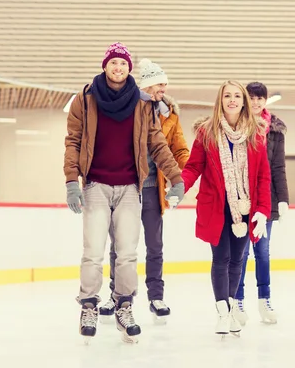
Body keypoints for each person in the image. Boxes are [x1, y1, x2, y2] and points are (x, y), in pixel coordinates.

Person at [63, 42, 185, 343]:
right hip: (95, 185)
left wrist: (176, 178)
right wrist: (71, 182)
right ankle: (88, 305)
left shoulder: (142, 102)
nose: (118, 68)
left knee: (128, 254)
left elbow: (157, 143)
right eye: (114, 63)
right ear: (105, 65)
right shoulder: (86, 98)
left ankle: (124, 305)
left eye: (123, 64)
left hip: (130, 186)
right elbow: (73, 141)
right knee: (93, 252)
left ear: (129, 69)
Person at [99, 58, 190, 323]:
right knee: (119, 246)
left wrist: (185, 174)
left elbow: (179, 149)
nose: (164, 88)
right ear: (148, 85)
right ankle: (116, 296)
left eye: (165, 84)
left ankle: (156, 296)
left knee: (155, 244)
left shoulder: (169, 115)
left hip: (153, 189)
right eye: (160, 83)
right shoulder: (130, 107)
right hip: (126, 186)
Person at [181, 80, 271, 337]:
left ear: (243, 101)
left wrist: (263, 210)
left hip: (245, 207)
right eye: (227, 96)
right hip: (216, 207)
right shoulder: (207, 132)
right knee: (220, 259)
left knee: (237, 261)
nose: (232, 100)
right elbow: (193, 167)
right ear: (220, 101)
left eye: (237, 96)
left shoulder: (256, 133)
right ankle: (222, 313)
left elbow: (263, 176)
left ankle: (231, 308)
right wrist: (179, 188)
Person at [233, 82, 289, 325]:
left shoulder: (275, 132)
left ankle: (264, 301)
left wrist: (284, 198)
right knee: (241, 253)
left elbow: (278, 168)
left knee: (263, 253)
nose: (256, 102)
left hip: (267, 201)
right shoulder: (236, 127)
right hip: (242, 200)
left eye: (260, 98)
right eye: (252, 98)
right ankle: (237, 301)